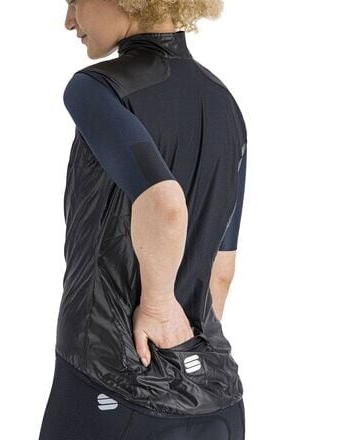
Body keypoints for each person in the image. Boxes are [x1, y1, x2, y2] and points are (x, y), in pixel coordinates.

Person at [39, 0, 247, 438]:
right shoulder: (224, 102)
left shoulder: (96, 88)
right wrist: (185, 349)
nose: (70, 21)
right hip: (217, 396)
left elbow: (164, 203)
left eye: (75, 1)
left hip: (110, 386)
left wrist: (157, 306)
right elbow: (221, 270)